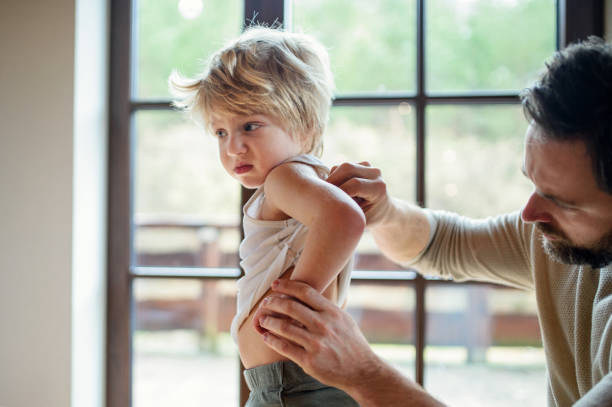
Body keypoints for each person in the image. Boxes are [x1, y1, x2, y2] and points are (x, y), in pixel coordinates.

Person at [255, 36, 612, 406]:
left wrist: (366, 375)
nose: (530, 214)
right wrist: (386, 213)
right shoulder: (553, 235)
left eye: (562, 202)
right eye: (533, 182)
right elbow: (445, 243)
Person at [170, 26, 365, 406]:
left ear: (305, 125)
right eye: (221, 132)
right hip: (288, 383)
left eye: (250, 126)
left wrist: (291, 306)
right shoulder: (300, 180)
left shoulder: (285, 178)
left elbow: (345, 219)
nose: (233, 147)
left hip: (292, 386)